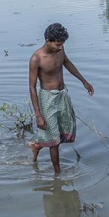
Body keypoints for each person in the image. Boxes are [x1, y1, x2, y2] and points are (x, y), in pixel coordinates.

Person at [28, 22, 93, 172]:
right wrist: (38, 115)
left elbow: (67, 63)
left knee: (62, 132)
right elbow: (31, 86)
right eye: (57, 44)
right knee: (53, 141)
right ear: (47, 41)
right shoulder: (36, 58)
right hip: (47, 99)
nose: (60, 47)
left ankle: (37, 146)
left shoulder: (60, 51)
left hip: (62, 95)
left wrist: (84, 81)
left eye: (62, 44)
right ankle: (58, 174)